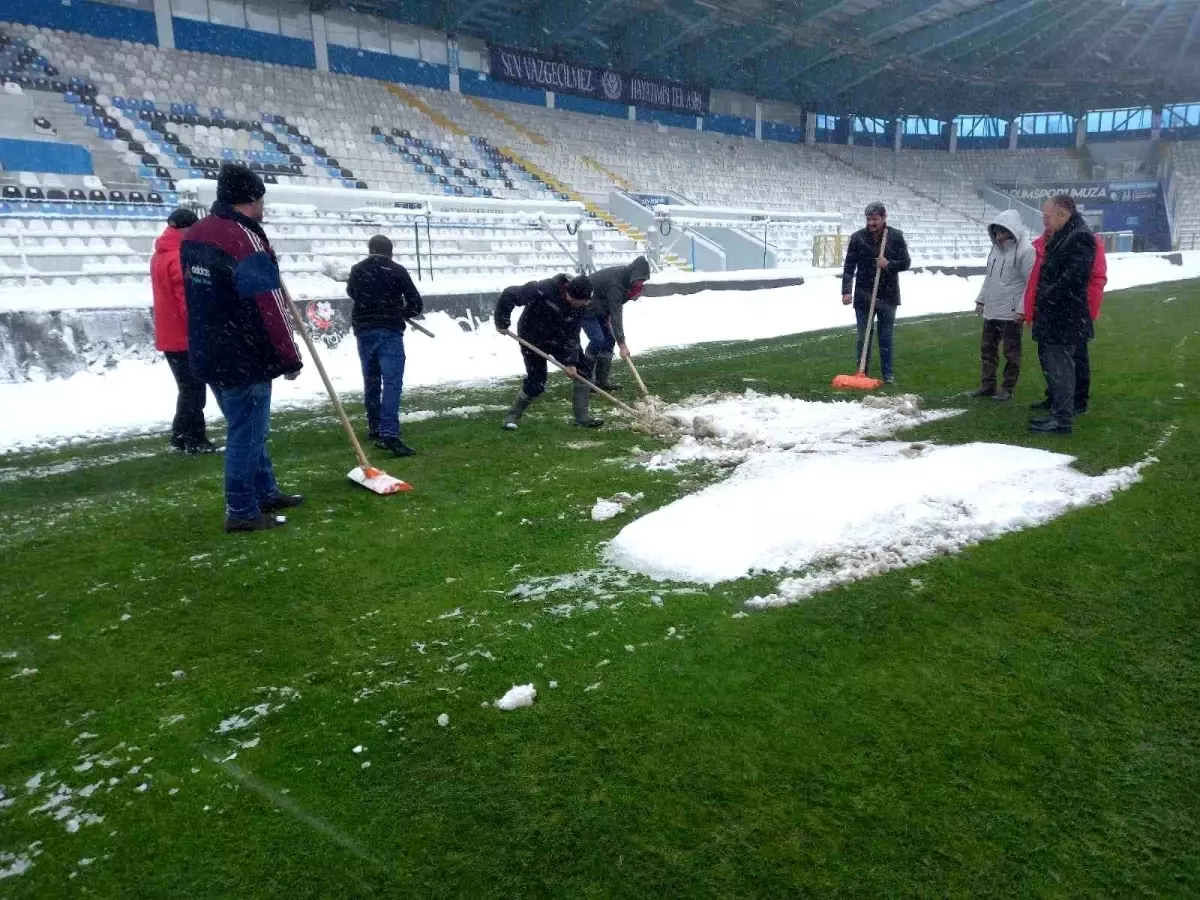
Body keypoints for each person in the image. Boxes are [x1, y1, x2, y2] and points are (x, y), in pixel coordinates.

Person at [181, 163, 305, 532]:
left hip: (209, 350)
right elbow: (268, 305)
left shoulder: (196, 234)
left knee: (247, 428)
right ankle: (241, 511)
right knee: (247, 434)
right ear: (251, 198)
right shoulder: (241, 238)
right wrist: (289, 356)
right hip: (242, 353)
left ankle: (265, 491)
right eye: (261, 198)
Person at [346, 234, 423, 457]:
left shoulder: (358, 269)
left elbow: (352, 293)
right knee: (392, 382)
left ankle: (375, 426)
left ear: (370, 250)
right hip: (389, 331)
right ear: (391, 252)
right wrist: (401, 312)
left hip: (364, 330)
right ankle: (389, 433)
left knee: (371, 380)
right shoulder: (397, 270)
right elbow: (416, 303)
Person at [1027, 194, 1096, 435]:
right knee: (1055, 367)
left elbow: (1076, 276)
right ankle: (1057, 412)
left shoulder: (1080, 236)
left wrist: (1048, 294)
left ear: (1062, 214)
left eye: (1049, 216)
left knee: (1063, 368)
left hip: (1065, 315)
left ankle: (1062, 420)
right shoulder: (1064, 235)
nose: (1046, 221)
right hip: (1056, 314)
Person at [494, 273, 596, 430]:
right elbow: (510, 294)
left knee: (583, 371)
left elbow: (573, 334)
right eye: (582, 301)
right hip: (532, 336)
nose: (584, 304)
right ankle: (512, 415)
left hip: (559, 338)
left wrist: (571, 361)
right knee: (537, 382)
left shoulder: (580, 306)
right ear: (572, 295)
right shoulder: (544, 289)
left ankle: (582, 418)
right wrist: (502, 321)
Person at [152, 206, 216, 453]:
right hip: (184, 336)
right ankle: (195, 439)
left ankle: (180, 435)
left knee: (187, 388)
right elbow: (186, 299)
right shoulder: (180, 256)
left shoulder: (160, 254)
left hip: (169, 334)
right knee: (194, 391)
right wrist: (203, 327)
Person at [841, 202, 911, 384]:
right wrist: (846, 291)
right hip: (864, 294)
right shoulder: (858, 238)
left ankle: (888, 374)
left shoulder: (895, 236)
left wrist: (888, 264)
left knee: (885, 337)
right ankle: (862, 371)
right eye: (869, 219)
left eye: (875, 219)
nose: (871, 223)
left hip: (888, 296)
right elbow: (849, 266)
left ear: (883, 218)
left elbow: (905, 262)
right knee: (863, 336)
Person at [971, 209, 1035, 402]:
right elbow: (989, 277)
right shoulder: (994, 250)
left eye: (1002, 232)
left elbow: (1031, 283)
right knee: (987, 350)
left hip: (1011, 311)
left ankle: (1008, 388)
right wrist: (981, 299)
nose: (998, 237)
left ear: (1012, 231)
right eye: (996, 232)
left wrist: (1022, 309)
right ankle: (987, 385)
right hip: (992, 308)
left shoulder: (1026, 251)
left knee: (1011, 352)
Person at [581, 255, 650, 391]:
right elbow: (616, 312)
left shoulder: (626, 280)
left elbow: (610, 305)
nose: (640, 284)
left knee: (608, 340)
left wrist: (607, 315)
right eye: (639, 280)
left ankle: (602, 381)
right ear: (634, 276)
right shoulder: (617, 283)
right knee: (597, 340)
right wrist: (622, 344)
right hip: (584, 307)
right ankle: (586, 380)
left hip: (598, 308)